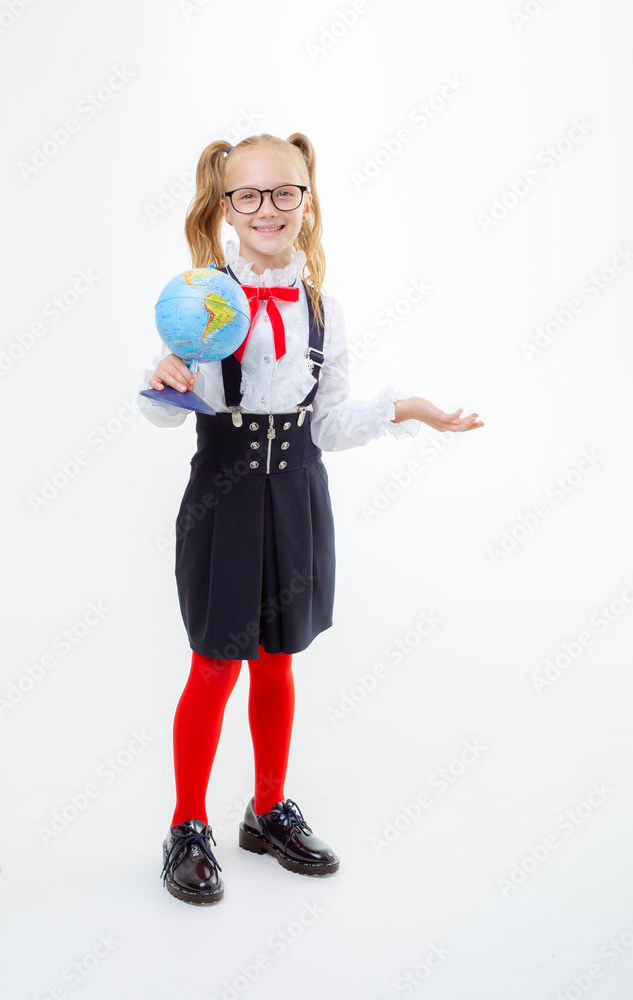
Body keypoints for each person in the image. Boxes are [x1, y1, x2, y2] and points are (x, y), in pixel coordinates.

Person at [138, 132, 483, 906]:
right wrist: (162, 377)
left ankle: (266, 810)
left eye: (284, 192)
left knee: (278, 658)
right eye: (248, 195)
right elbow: (166, 410)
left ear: (307, 199)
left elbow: (326, 422)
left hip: (297, 494)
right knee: (214, 662)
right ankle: (187, 824)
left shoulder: (321, 310)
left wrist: (408, 409)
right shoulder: (201, 298)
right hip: (222, 498)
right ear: (224, 207)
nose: (268, 208)